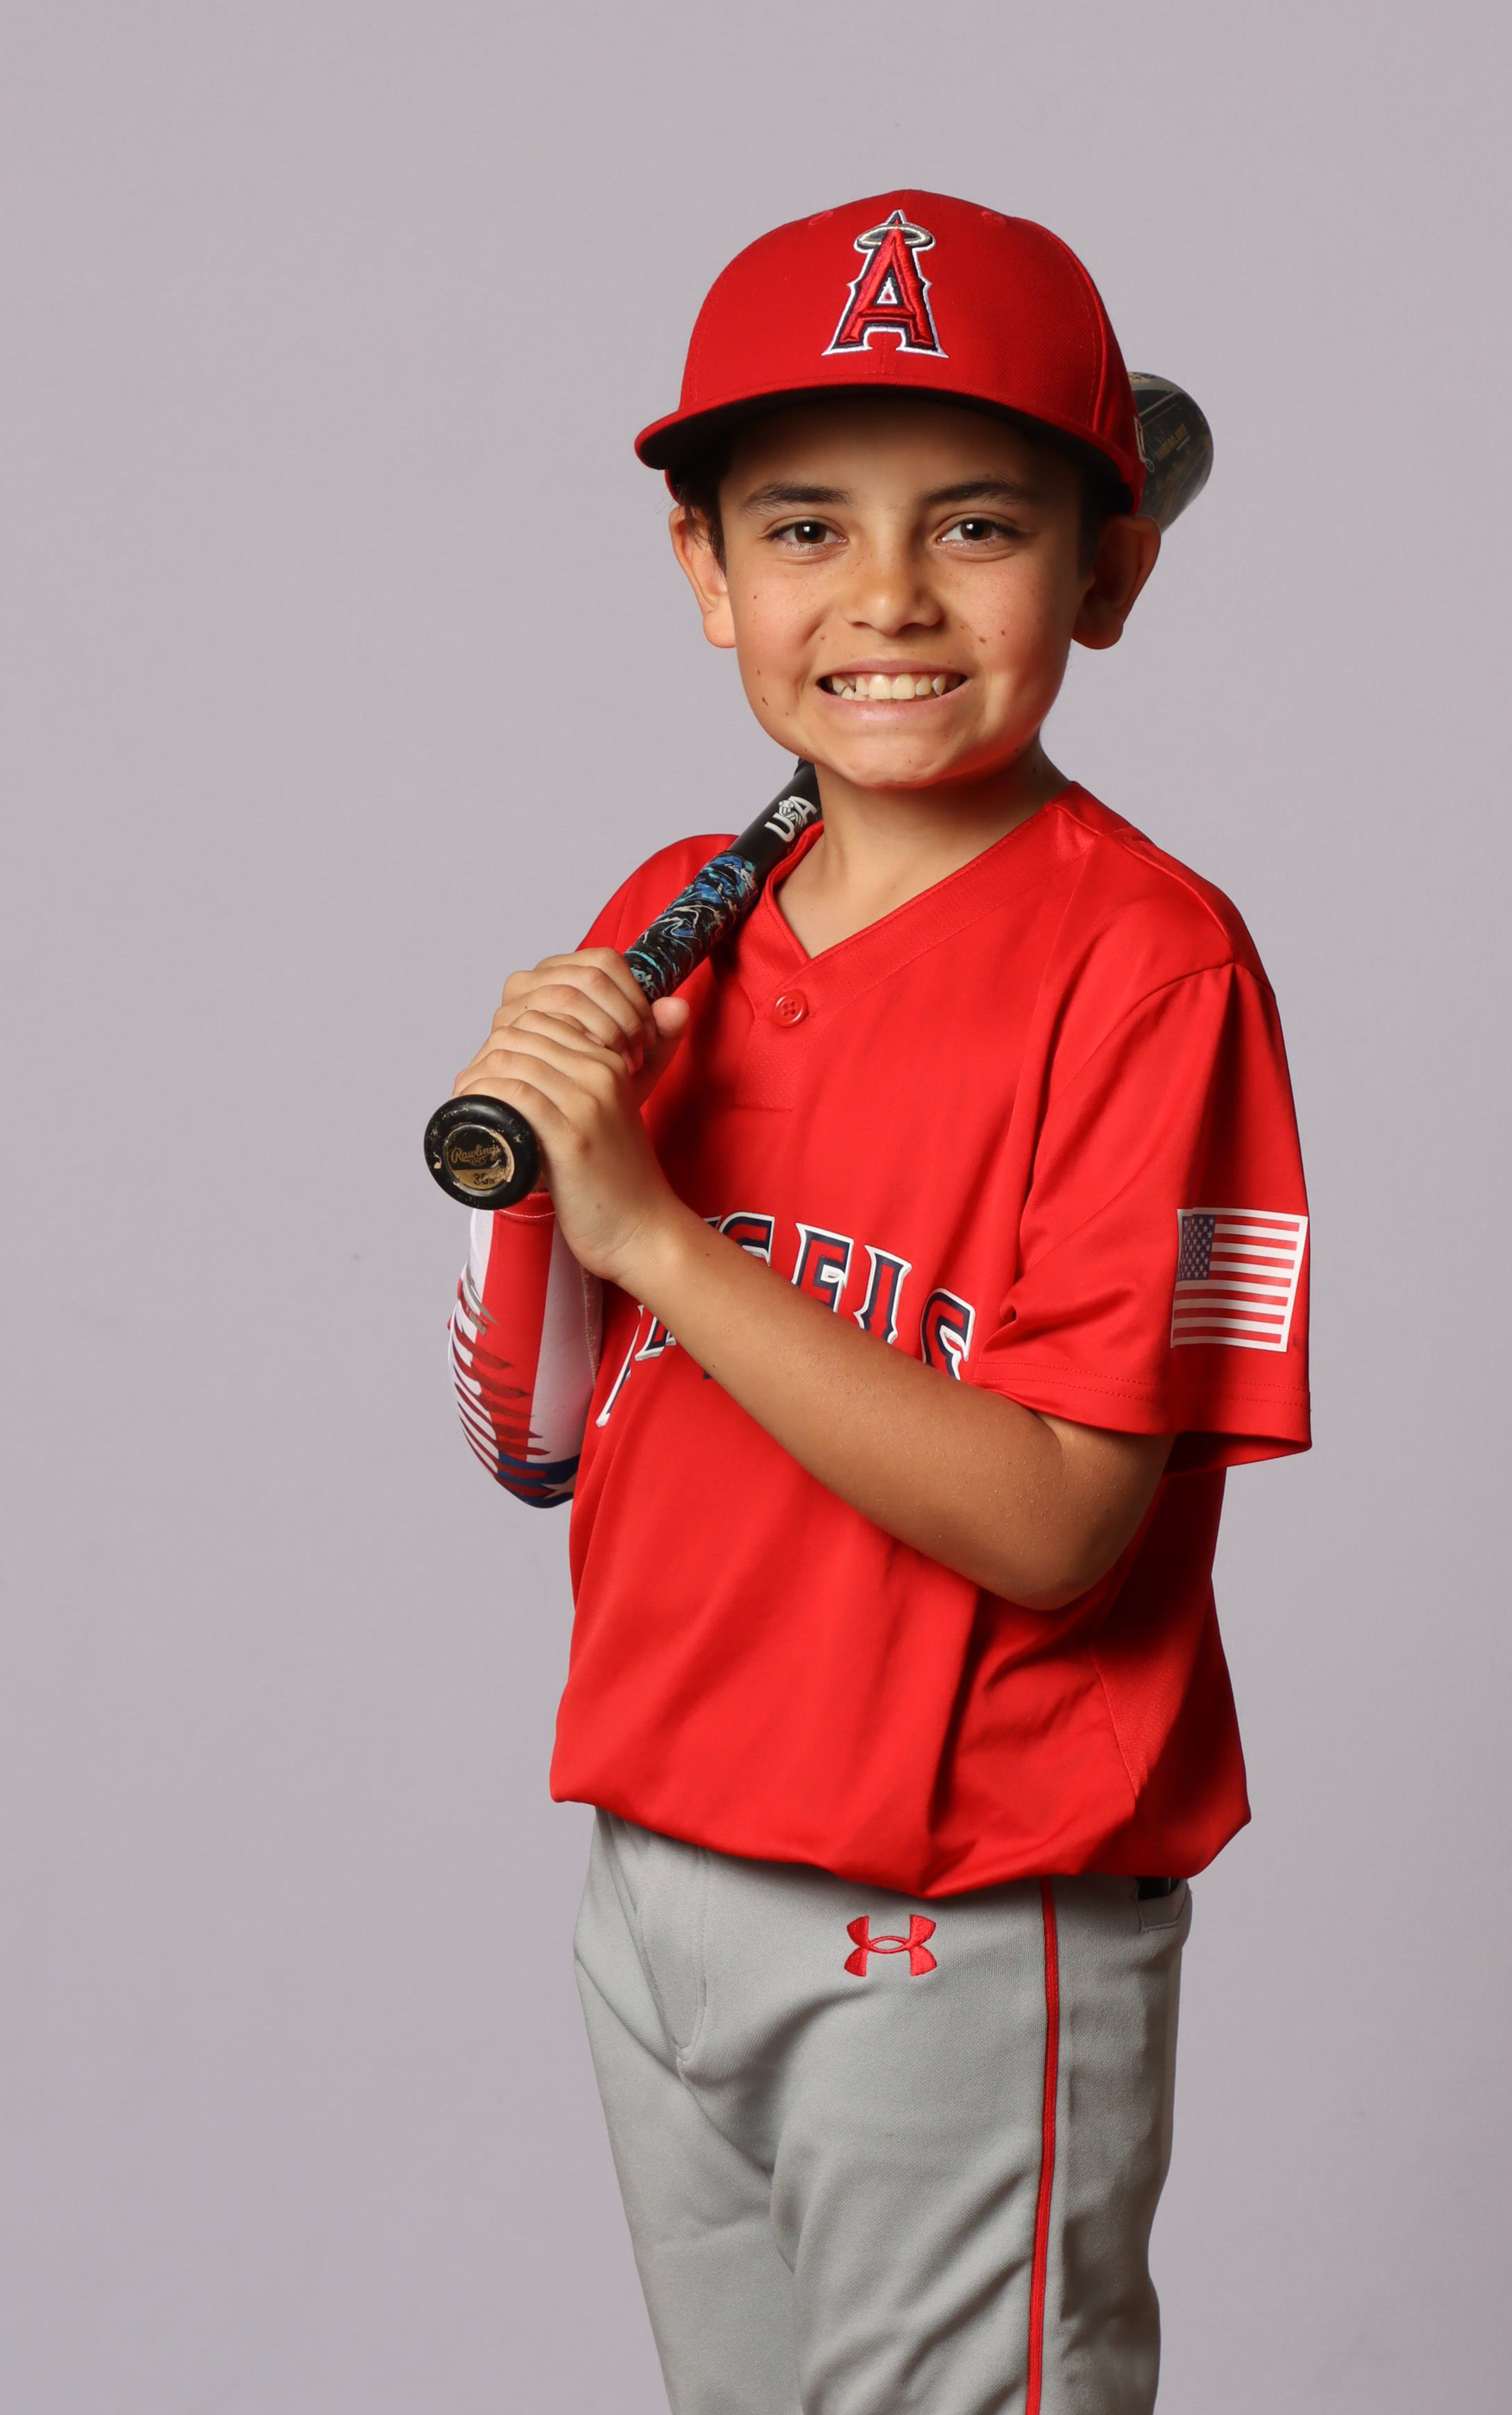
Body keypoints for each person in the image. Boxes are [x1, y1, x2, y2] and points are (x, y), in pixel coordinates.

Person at [444, 189, 1310, 2415]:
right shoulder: (676, 914)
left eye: (980, 525)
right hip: (660, 1864)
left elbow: (1060, 1522)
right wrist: (540, 1176)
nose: (890, 597)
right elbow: (535, 1441)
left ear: (1108, 575)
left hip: (959, 1904)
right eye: (807, 526)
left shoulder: (1153, 969)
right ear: (707, 569)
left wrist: (662, 1233)